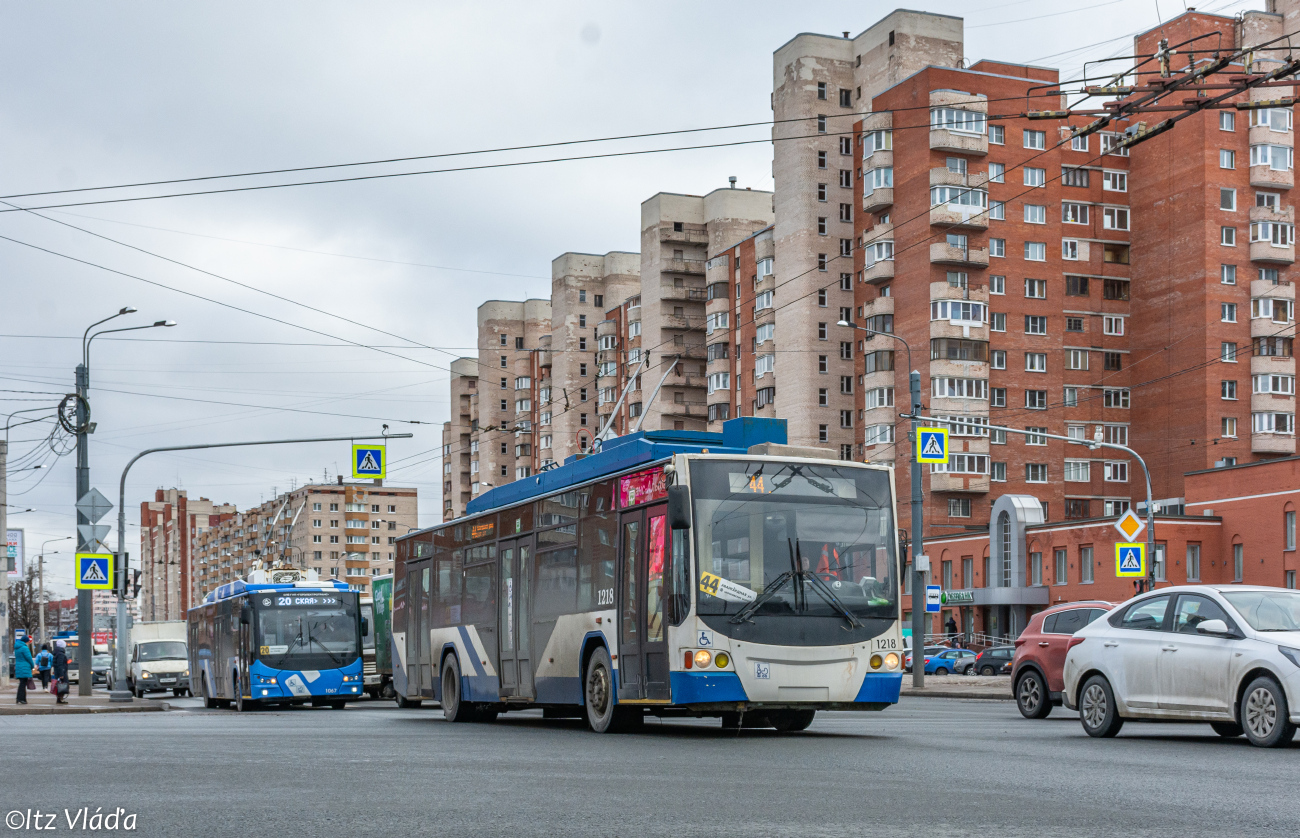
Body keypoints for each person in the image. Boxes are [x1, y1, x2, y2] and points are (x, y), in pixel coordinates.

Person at [13, 637, 34, 704]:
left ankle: (21, 699)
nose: (28, 643)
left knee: (22, 683)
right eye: (28, 642)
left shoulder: (17, 648)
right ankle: (21, 699)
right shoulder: (24, 648)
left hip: (19, 667)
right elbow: (29, 658)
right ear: (26, 641)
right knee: (23, 684)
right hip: (25, 667)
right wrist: (32, 666)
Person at [51, 640, 69, 704]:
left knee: (59, 686)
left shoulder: (56, 653)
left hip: (58, 672)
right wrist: (62, 674)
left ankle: (59, 699)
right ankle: (60, 699)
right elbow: (60, 664)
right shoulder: (61, 654)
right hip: (62, 672)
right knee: (63, 685)